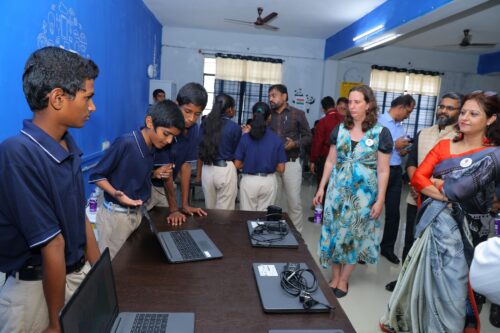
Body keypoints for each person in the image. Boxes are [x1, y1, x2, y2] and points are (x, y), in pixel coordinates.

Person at [380, 91, 500, 333]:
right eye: (464, 112)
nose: (464, 117)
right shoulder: (445, 145)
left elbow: (458, 189)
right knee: (424, 283)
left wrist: (438, 185)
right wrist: (447, 192)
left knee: (455, 290)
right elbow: (418, 179)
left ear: (491, 119)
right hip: (433, 225)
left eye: (473, 113)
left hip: (468, 233)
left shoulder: (493, 153)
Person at [0, 46, 100, 332]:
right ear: (58, 98)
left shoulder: (67, 145)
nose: (92, 107)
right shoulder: (17, 153)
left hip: (70, 278)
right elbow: (52, 244)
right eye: (88, 98)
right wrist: (56, 323)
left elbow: (79, 219)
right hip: (34, 293)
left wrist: (100, 273)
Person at [313, 85, 392, 298]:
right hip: (337, 192)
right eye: (350, 102)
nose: (353, 106)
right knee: (334, 233)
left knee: (354, 236)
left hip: (363, 196)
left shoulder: (380, 133)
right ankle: (334, 276)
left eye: (358, 102)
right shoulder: (339, 129)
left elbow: (383, 170)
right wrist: (321, 187)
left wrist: (380, 199)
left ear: (369, 104)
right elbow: (330, 160)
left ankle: (344, 280)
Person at [385, 91, 462, 292]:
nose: (443, 110)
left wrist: (425, 185)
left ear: (459, 112)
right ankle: (404, 281)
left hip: (443, 202)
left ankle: (425, 286)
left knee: (435, 244)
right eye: (442, 106)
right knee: (410, 238)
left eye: (450, 107)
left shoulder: (461, 137)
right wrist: (416, 183)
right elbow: (411, 162)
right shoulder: (424, 133)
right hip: (415, 197)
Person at [89, 100, 184, 258]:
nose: (168, 141)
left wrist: (154, 174)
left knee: (128, 263)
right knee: (113, 266)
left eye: (172, 137)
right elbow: (96, 175)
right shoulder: (126, 143)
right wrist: (116, 193)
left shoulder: (152, 146)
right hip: (116, 217)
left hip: (135, 213)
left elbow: (133, 172)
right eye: (166, 134)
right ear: (149, 122)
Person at [154, 82, 209, 225]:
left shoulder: (194, 129)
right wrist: (173, 209)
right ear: (177, 104)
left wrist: (184, 204)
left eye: (197, 114)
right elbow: (167, 173)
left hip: (167, 186)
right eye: (187, 111)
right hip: (150, 186)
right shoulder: (166, 126)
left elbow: (185, 166)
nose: (191, 118)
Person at [268, 84, 312, 233]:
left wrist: (295, 144)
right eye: (269, 96)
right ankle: (272, 231)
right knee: (272, 202)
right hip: (272, 165)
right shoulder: (269, 115)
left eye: (274, 95)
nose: (271, 99)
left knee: (294, 202)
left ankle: (297, 234)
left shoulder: (297, 114)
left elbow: (308, 136)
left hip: (291, 163)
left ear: (284, 96)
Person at [378, 94, 415, 264]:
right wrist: (394, 145)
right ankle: (364, 247)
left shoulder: (400, 127)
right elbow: (370, 146)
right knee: (371, 210)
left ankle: (387, 248)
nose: (409, 115)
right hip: (377, 171)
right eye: (408, 111)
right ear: (400, 107)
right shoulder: (379, 122)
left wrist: (402, 150)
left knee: (393, 213)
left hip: (395, 171)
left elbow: (398, 149)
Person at [235, 102, 287, 211]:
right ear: (269, 117)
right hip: (269, 182)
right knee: (263, 219)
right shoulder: (276, 139)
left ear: (252, 116)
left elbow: (237, 164)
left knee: (246, 216)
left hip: (248, 181)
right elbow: (281, 169)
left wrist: (249, 162)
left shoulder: (245, 138)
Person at [198, 93, 242, 210]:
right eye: (233, 108)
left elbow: (200, 146)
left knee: (209, 208)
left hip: (207, 169)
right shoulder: (235, 128)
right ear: (229, 109)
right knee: (225, 212)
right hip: (225, 170)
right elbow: (237, 151)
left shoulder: (205, 123)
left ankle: (209, 229)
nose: (234, 110)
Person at [309, 96, 345, 197]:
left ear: (323, 109)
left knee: (323, 185)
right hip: (342, 158)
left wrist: (313, 160)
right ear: (334, 105)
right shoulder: (344, 120)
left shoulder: (322, 122)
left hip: (326, 158)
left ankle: (321, 208)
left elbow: (317, 143)